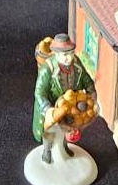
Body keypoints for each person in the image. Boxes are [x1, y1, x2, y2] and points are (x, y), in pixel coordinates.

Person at [32, 33, 96, 164]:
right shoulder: (48, 69)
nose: (68, 58)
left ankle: (64, 146)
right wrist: (48, 109)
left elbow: (87, 80)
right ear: (56, 54)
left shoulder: (76, 64)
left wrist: (92, 94)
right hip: (53, 107)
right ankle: (47, 150)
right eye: (64, 54)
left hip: (70, 107)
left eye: (71, 53)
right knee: (50, 131)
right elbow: (39, 92)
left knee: (66, 129)